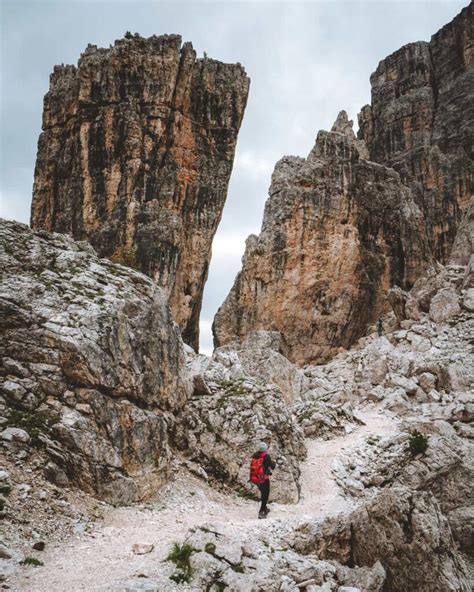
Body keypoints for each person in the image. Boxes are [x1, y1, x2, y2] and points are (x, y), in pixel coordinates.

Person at [249, 441, 276, 519]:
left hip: (256, 478)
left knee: (263, 493)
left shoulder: (255, 455)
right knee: (265, 494)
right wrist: (274, 463)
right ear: (265, 449)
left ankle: (264, 508)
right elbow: (272, 466)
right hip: (264, 478)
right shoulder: (266, 456)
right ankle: (262, 512)